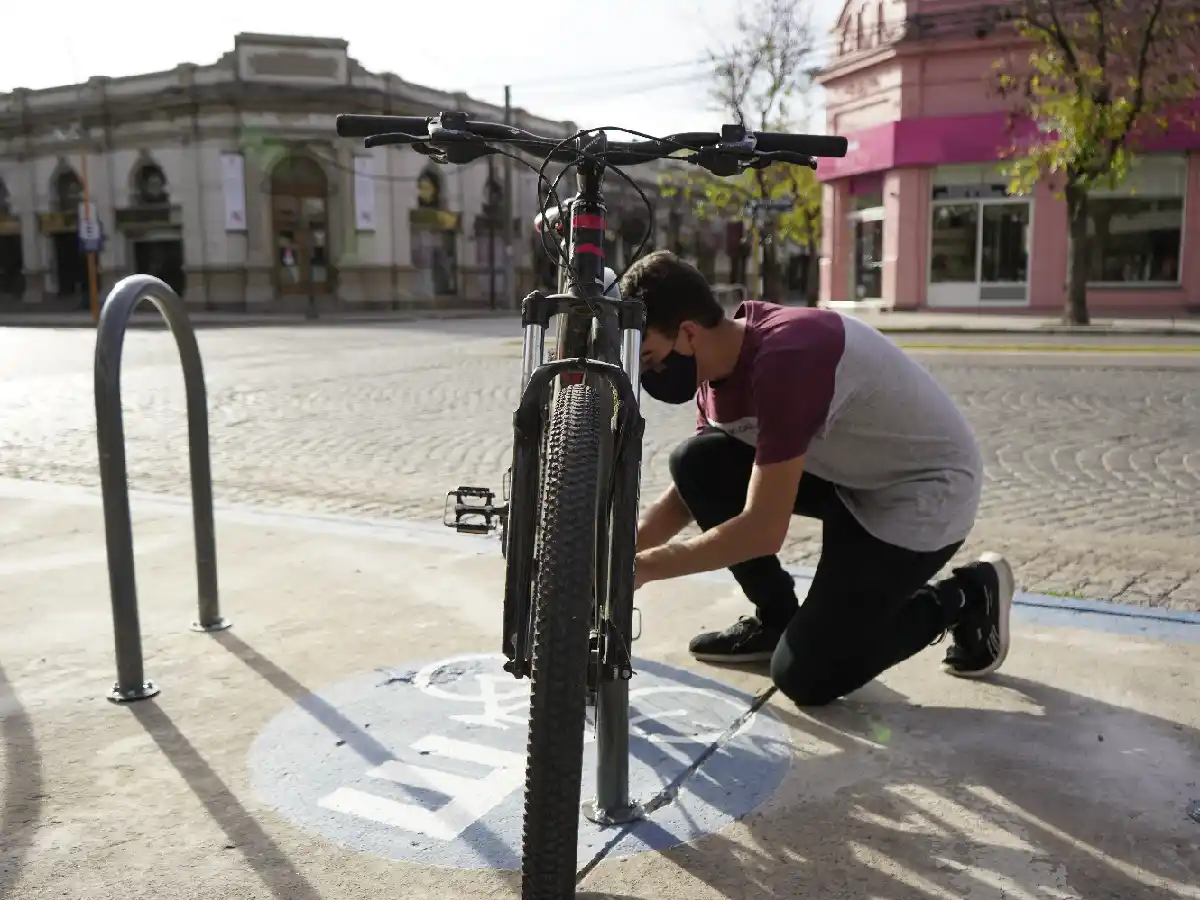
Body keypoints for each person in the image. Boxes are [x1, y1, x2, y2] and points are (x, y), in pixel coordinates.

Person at [621, 250, 1013, 707]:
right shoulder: (715, 372)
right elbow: (693, 490)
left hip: (921, 494)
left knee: (807, 675)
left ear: (688, 333)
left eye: (650, 358)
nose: (650, 375)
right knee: (695, 462)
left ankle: (966, 596)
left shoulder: (787, 358)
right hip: (852, 477)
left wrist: (645, 569)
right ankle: (777, 620)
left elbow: (763, 529)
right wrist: (618, 552)